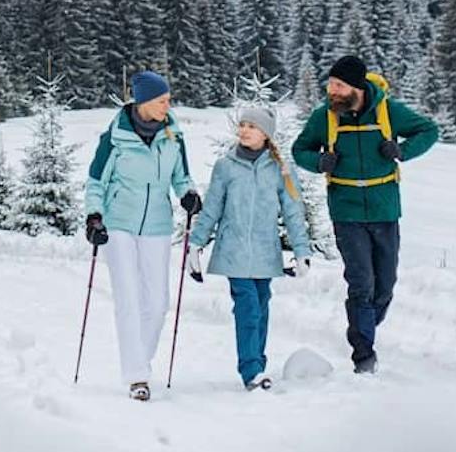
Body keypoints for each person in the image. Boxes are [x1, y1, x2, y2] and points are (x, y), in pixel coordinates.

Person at [291, 55, 439, 374]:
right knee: (361, 283)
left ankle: (365, 326)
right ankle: (363, 355)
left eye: (338, 85)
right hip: (346, 210)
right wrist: (319, 163)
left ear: (356, 88)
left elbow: (428, 130)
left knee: (385, 285)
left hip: (385, 208)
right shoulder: (325, 118)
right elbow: (299, 150)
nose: (332, 91)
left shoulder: (387, 112)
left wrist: (401, 151)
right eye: (330, 84)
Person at [84, 71, 201, 401]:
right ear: (144, 101)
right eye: (162, 100)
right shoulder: (115, 138)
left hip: (158, 226)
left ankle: (140, 362)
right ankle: (137, 376)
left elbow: (182, 177)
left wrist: (188, 194)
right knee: (128, 298)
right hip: (118, 222)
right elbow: (96, 181)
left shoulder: (173, 136)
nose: (168, 105)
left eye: (168, 100)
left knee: (158, 302)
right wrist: (94, 216)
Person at [186, 107, 312, 391]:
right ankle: (251, 370)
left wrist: (301, 251)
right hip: (234, 249)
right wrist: (196, 244)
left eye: (251, 126)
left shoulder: (281, 168)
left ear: (265, 133)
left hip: (265, 251)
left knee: (262, 304)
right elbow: (212, 209)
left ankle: (257, 363)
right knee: (248, 307)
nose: (243, 130)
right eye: (242, 125)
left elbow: (293, 210)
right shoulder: (226, 166)